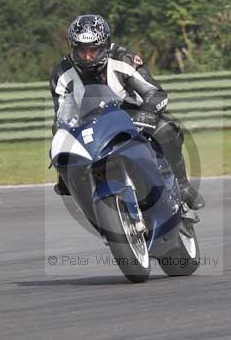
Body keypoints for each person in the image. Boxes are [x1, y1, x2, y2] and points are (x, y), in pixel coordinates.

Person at [49, 14, 205, 210]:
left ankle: (183, 186)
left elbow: (155, 92)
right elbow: (61, 116)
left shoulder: (123, 58)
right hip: (90, 126)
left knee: (166, 129)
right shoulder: (61, 73)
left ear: (105, 46)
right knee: (60, 144)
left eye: (93, 50)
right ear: (73, 48)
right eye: (81, 51)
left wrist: (147, 112)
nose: (87, 57)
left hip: (131, 116)